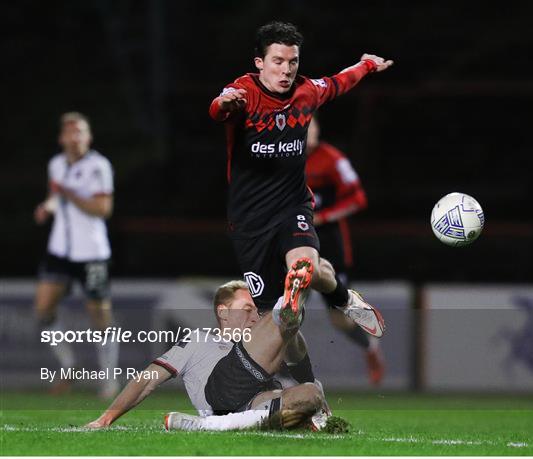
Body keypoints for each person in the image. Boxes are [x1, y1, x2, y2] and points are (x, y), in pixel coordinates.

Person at [209, 22, 391, 339]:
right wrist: (225, 105)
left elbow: (339, 82)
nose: (287, 70)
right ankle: (342, 301)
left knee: (303, 267)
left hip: (292, 205)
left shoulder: (306, 92)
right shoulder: (244, 93)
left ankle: (304, 300)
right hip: (250, 219)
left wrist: (367, 65)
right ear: (259, 63)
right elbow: (218, 108)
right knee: (277, 317)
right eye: (278, 61)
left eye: (292, 62)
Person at [86, 272, 329, 431]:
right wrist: (107, 417)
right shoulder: (198, 340)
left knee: (310, 395)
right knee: (285, 320)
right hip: (221, 391)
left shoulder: (256, 347)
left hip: (250, 404)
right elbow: (147, 379)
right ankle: (293, 293)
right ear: (223, 312)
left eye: (255, 310)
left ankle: (216, 425)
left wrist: (310, 389)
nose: (254, 316)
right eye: (247, 309)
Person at [34, 112, 119, 398]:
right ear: (61, 138)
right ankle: (69, 366)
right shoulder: (56, 164)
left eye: (80, 131)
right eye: (69, 132)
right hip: (60, 249)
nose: (74, 136)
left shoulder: (99, 166)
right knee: (43, 309)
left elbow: (103, 209)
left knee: (99, 314)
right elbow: (56, 198)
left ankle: (109, 379)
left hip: (91, 252)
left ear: (88, 137)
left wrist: (68, 193)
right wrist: (48, 207)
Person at [306, 116, 384, 385]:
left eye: (312, 125)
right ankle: (282, 376)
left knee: (339, 319)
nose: (308, 131)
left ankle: (370, 347)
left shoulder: (333, 159)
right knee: (285, 312)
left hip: (330, 246)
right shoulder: (283, 159)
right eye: (303, 126)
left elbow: (358, 198)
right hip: (294, 243)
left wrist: (324, 217)